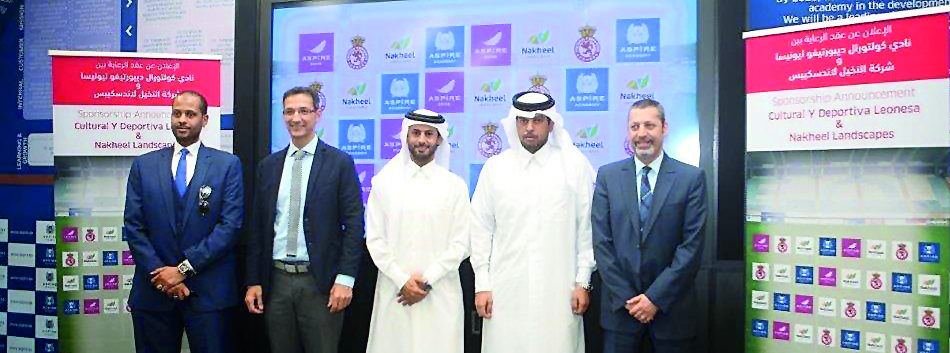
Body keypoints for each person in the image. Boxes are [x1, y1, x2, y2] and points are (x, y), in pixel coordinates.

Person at [470, 91, 596, 353]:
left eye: (537, 120)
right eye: (522, 120)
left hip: (559, 292)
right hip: (506, 292)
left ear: (551, 124)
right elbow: (481, 231)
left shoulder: (575, 166)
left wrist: (583, 281)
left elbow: (587, 229)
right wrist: (482, 284)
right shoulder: (495, 168)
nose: (529, 127)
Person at [244, 86, 365, 353]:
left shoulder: (338, 163)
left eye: (303, 111)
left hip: (320, 282)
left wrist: (345, 279)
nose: (295, 118)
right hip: (276, 282)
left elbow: (354, 224)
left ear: (317, 115)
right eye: (289, 111)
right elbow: (257, 229)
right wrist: (253, 280)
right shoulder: (268, 167)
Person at [123, 90, 243, 353]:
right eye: (177, 113)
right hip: (154, 293)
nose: (182, 120)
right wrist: (162, 276)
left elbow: (229, 227)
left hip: (209, 294)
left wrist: (183, 270)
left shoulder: (226, 165)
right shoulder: (144, 165)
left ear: (205, 119)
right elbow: (134, 226)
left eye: (190, 114)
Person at [591, 99, 706, 353]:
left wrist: (655, 298)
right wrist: (629, 300)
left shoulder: (691, 178)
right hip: (621, 313)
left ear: (664, 128)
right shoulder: (608, 176)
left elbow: (692, 247)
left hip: (672, 313)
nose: (641, 133)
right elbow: (601, 242)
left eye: (649, 125)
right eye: (634, 126)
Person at [364, 109, 471, 353]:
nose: (422, 140)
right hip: (395, 291)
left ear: (439, 139)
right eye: (416, 133)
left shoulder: (454, 186)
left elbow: (462, 243)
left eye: (428, 134)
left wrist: (427, 281)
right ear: (406, 137)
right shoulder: (384, 183)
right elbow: (375, 239)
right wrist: (402, 281)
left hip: (440, 293)